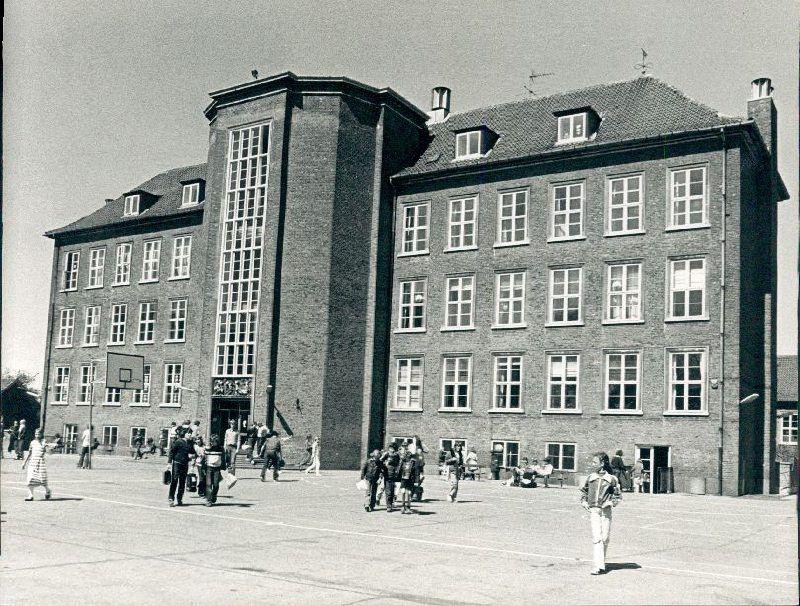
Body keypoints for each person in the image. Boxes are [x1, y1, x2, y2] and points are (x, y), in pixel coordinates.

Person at [580, 452, 621, 575]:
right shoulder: (590, 477)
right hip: (594, 510)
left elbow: (618, 495)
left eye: (595, 462)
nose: (593, 464)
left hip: (606, 511)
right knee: (597, 537)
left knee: (605, 538)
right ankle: (598, 566)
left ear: (602, 463)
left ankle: (601, 562)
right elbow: (584, 491)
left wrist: (611, 503)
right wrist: (584, 502)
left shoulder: (612, 479)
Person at [21, 429, 51, 501]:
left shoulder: (44, 442)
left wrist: (49, 447)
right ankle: (30, 495)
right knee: (30, 478)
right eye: (36, 434)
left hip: (40, 462)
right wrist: (24, 462)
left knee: (42, 479)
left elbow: (49, 452)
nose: (37, 435)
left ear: (41, 434)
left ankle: (48, 490)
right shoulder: (32, 442)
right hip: (32, 462)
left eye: (38, 434)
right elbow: (29, 453)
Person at [167, 428, 195, 506]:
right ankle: (171, 498)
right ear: (184, 434)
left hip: (185, 464)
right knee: (174, 480)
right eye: (189, 433)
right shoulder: (178, 442)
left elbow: (193, 452)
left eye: (191, 433)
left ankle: (179, 498)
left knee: (182, 482)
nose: (190, 435)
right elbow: (172, 452)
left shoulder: (190, 442)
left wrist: (193, 456)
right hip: (177, 463)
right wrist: (169, 463)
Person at [203, 434, 227, 506]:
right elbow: (204, 459)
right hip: (209, 467)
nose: (213, 443)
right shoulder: (208, 448)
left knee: (216, 484)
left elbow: (223, 458)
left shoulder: (221, 448)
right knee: (208, 484)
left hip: (217, 468)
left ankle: (214, 495)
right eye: (212, 441)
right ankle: (208, 500)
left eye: (215, 441)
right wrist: (203, 468)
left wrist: (224, 466)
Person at [381, 442, 401, 512]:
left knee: (392, 491)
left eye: (393, 448)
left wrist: (397, 471)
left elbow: (399, 464)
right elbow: (381, 460)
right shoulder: (386, 454)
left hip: (394, 475)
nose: (391, 449)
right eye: (390, 448)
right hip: (387, 474)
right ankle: (388, 506)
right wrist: (384, 466)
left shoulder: (397, 455)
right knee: (388, 491)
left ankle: (390, 504)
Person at [398, 449, 417, 514]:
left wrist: (416, 481)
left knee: (409, 493)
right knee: (403, 491)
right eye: (407, 456)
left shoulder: (413, 463)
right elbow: (399, 470)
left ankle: (408, 506)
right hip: (403, 478)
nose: (408, 458)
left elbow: (415, 472)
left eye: (409, 456)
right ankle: (403, 506)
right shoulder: (402, 462)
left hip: (410, 479)